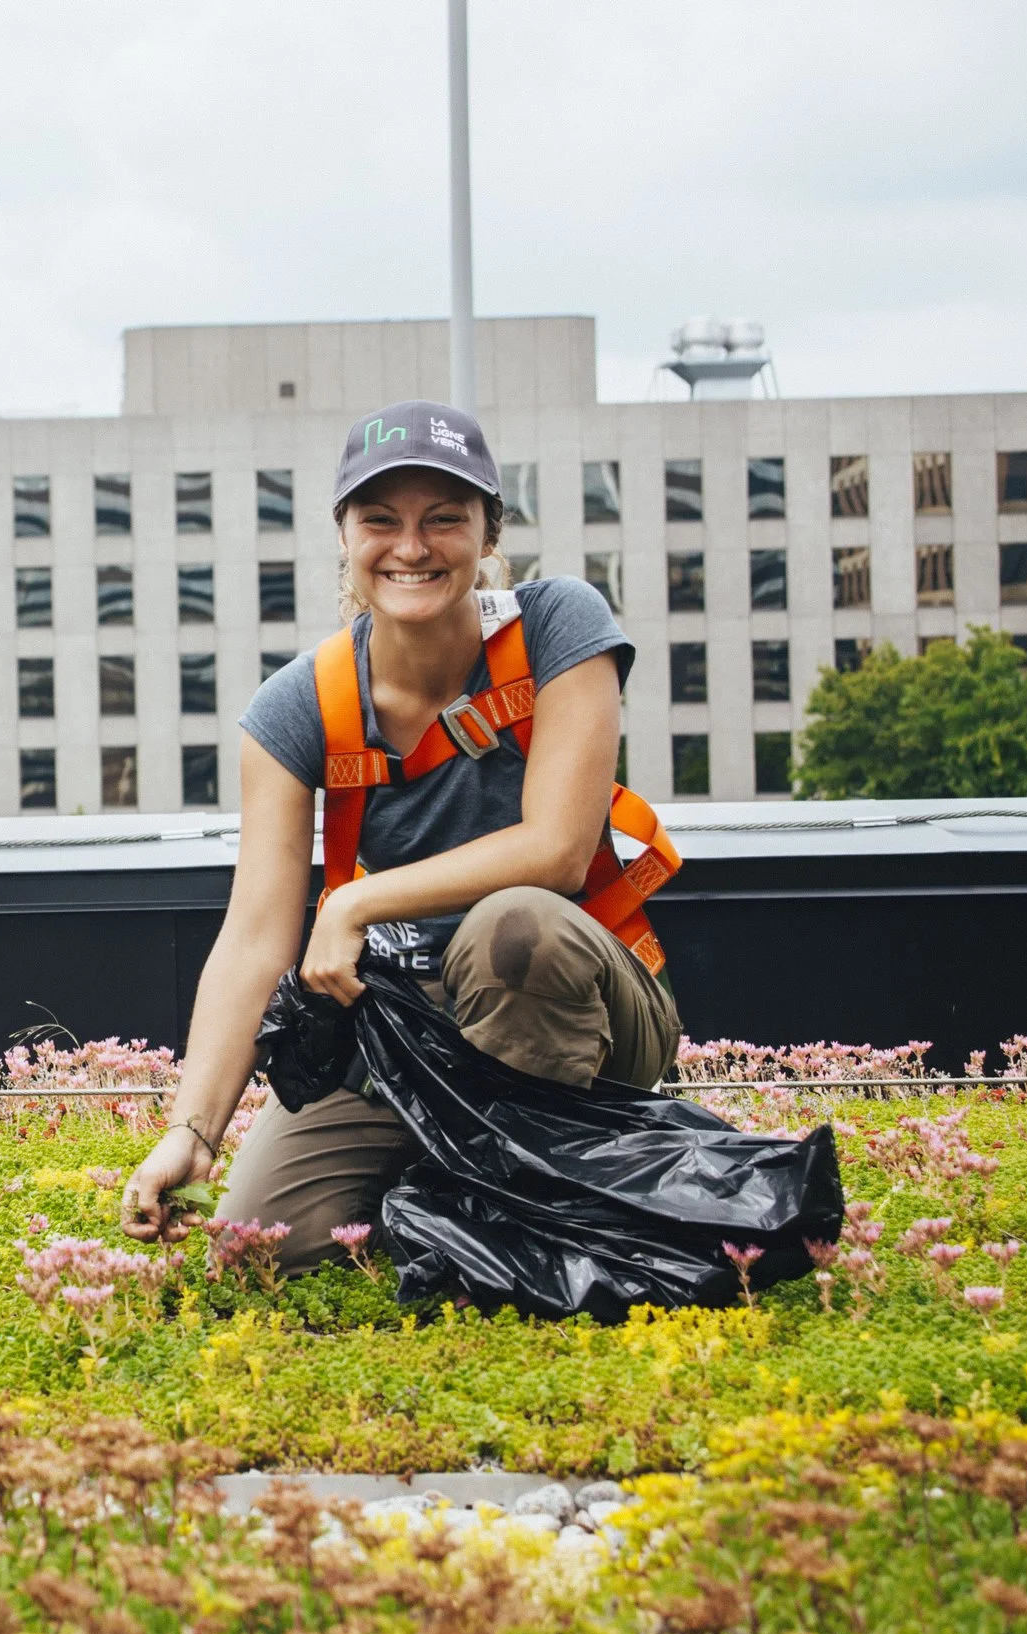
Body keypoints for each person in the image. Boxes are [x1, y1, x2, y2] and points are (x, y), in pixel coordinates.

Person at [121, 400, 680, 1272]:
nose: (411, 548)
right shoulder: (297, 707)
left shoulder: (560, 627)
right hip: (411, 1026)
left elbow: (559, 848)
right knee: (264, 1248)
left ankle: (540, 1215)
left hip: (582, 1006)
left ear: (488, 531)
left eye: (444, 520)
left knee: (513, 929)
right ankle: (447, 1197)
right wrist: (191, 1130)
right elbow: (254, 937)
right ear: (343, 536)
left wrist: (358, 900)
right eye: (379, 520)